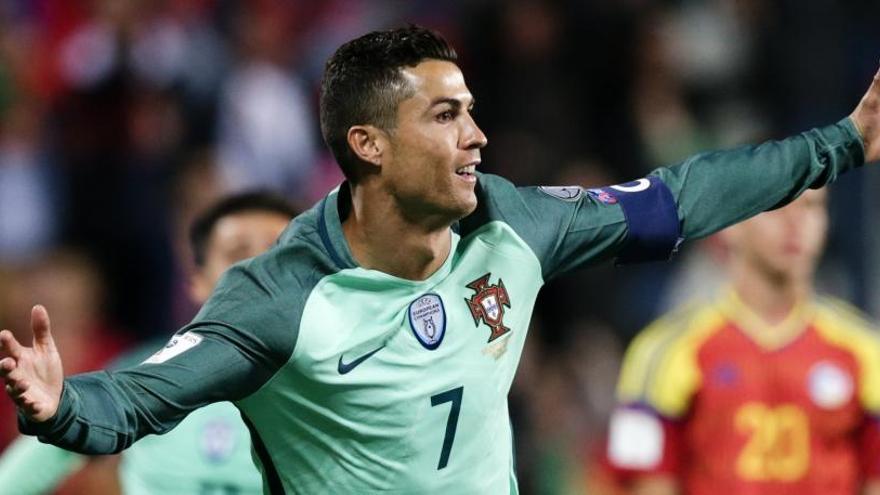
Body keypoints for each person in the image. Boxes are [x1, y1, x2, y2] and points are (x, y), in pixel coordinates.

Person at [1, 25, 879, 494]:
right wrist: (61, 405)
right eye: (446, 116)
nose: (477, 136)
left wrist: (840, 143)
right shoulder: (286, 297)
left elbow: (680, 198)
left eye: (471, 110)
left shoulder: (515, 225)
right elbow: (142, 391)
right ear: (368, 144)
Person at [0, 191, 297, 494]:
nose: (261, 269)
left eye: (278, 252)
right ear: (197, 281)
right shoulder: (134, 374)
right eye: (238, 254)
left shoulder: (338, 381)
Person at [604, 188, 880, 495]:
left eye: (811, 207)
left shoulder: (865, 349)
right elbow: (644, 482)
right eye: (775, 207)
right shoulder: (662, 350)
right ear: (730, 224)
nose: (795, 223)